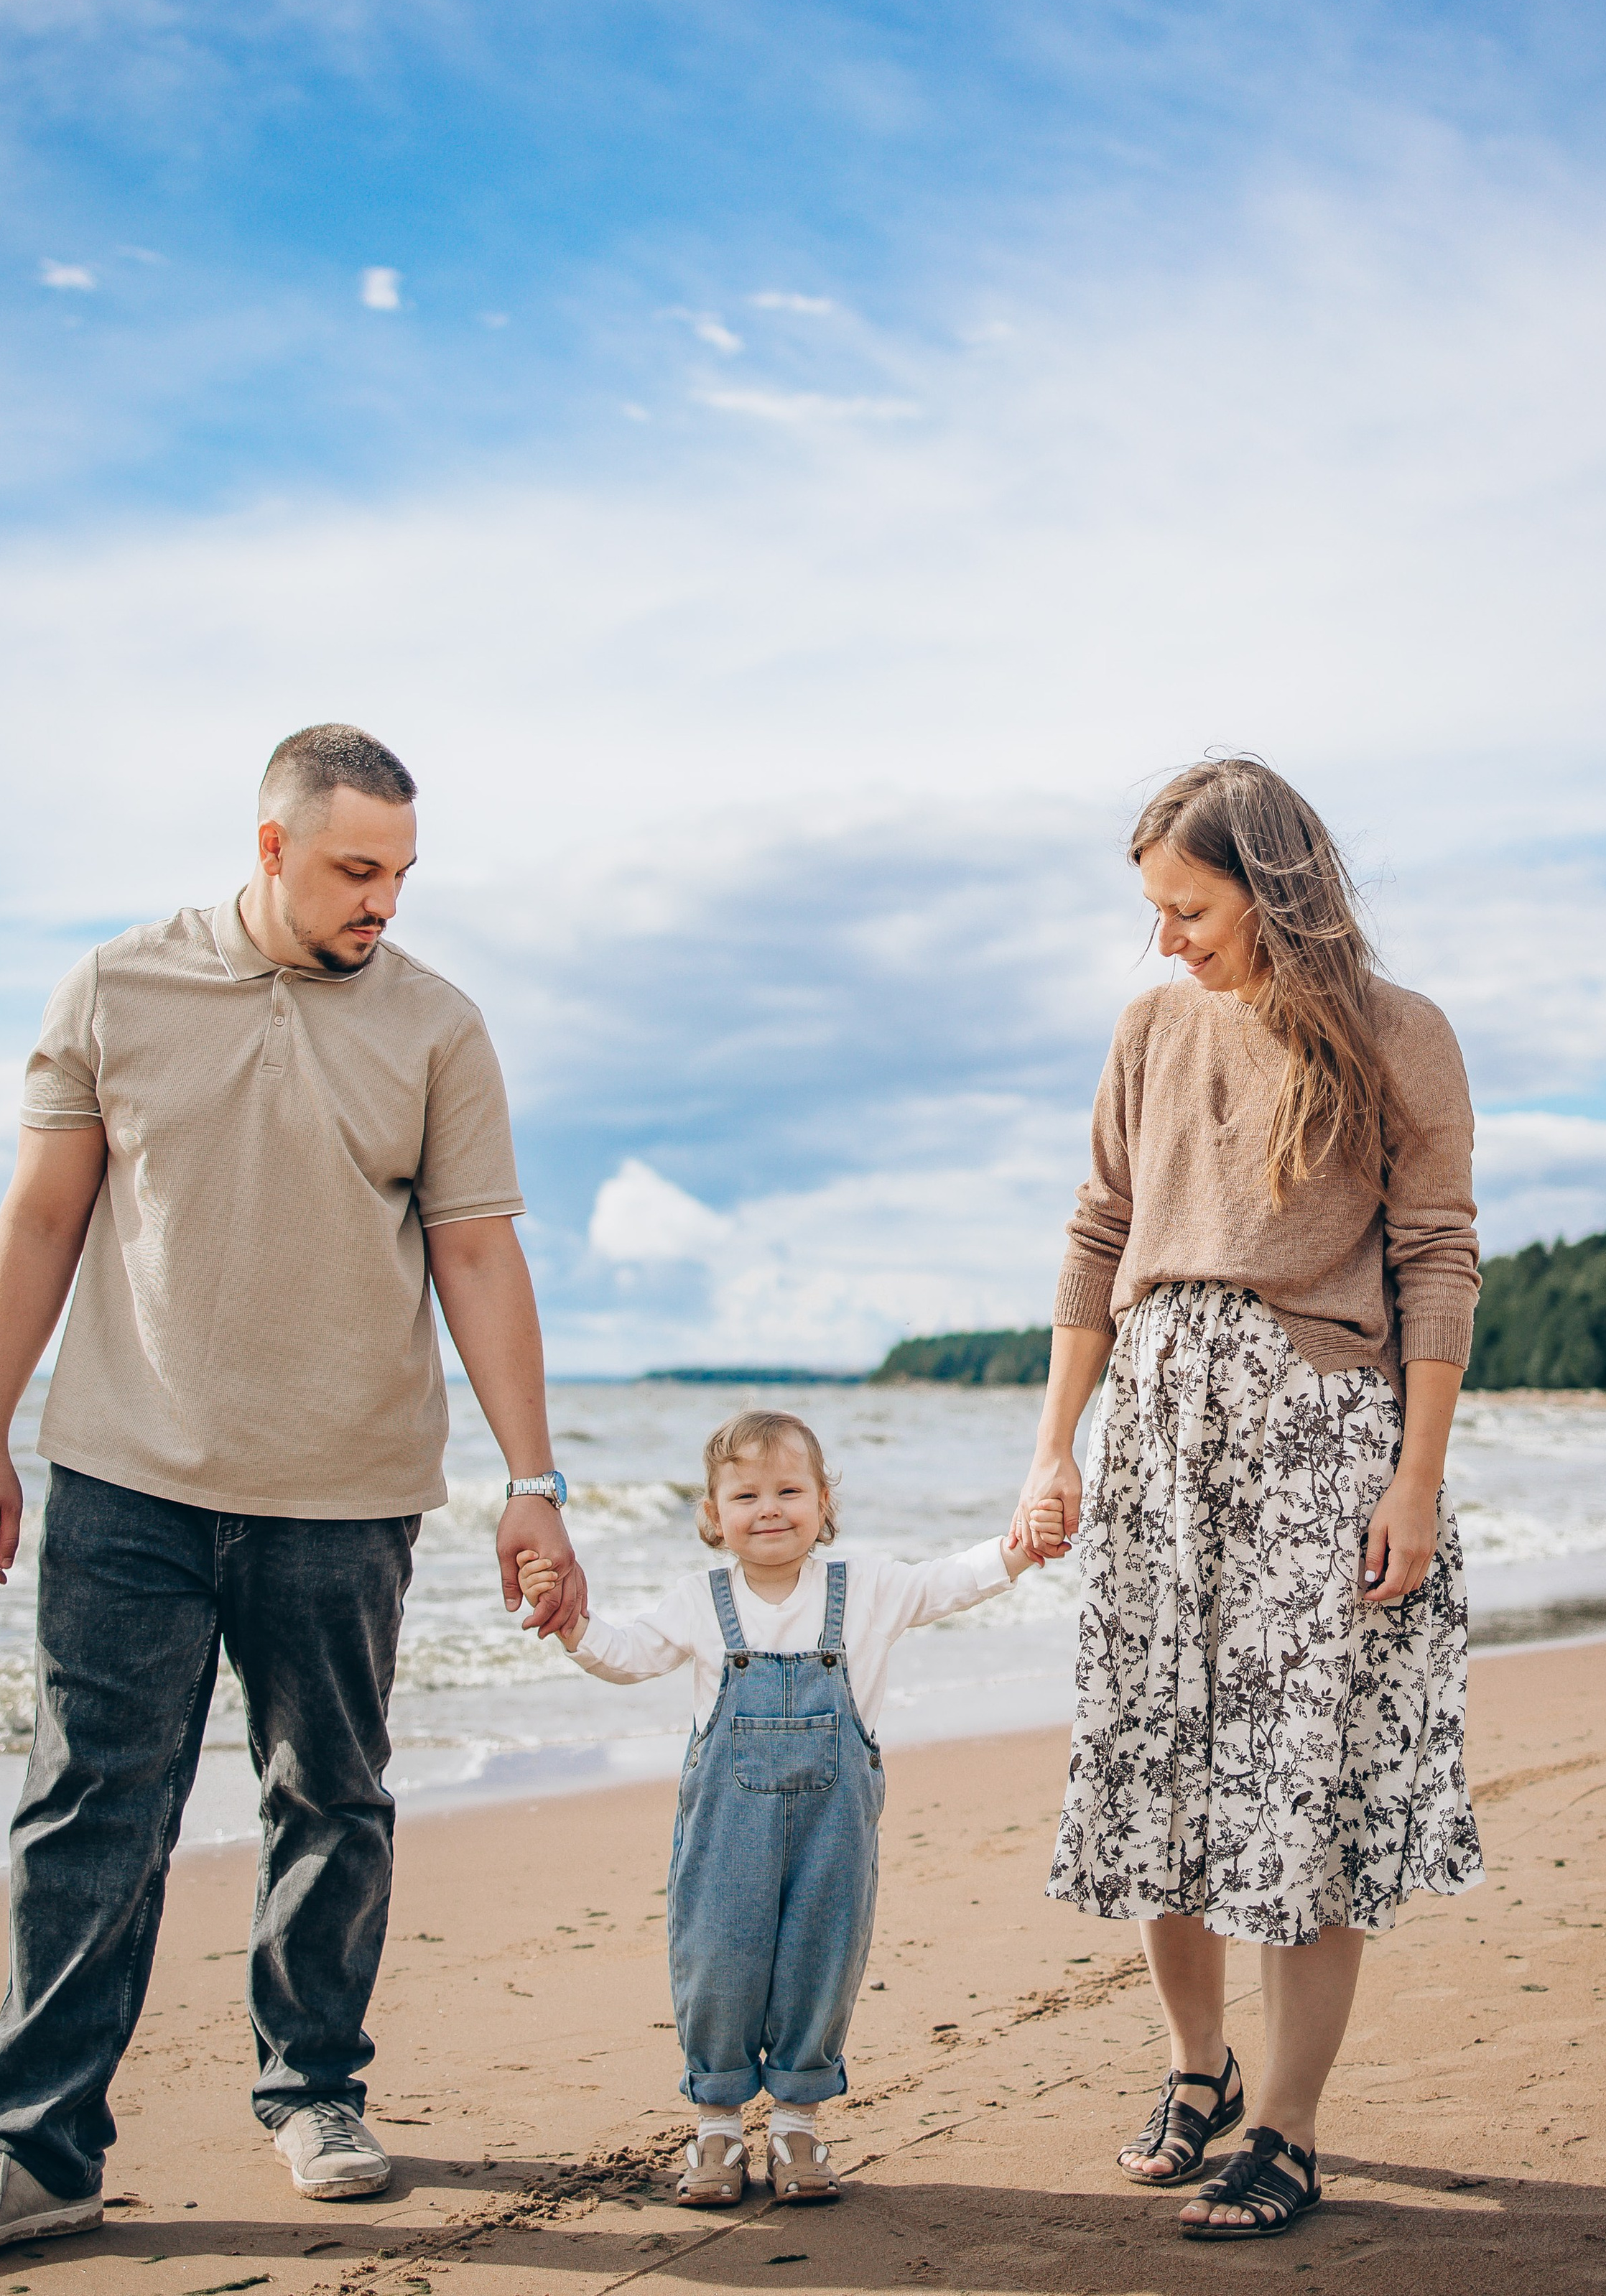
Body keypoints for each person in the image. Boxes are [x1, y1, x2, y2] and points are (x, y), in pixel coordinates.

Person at [0, 723, 585, 2257]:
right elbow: (43, 1216)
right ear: (269, 848)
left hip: (347, 1492)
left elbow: (476, 1250)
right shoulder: (116, 988)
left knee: (329, 1800)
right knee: (89, 1809)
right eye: (351, 869)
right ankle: (39, 2148)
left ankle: (315, 2089)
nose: (380, 900)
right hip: (127, 1478)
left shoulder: (438, 1029)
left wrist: (533, 1481)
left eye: (398, 872)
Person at [1013, 756, 1482, 2244]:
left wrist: (1414, 1479)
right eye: (1153, 911)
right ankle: (1191, 2069)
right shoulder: (1149, 1025)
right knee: (1158, 1766)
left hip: (1317, 1441)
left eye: (1187, 908)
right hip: (1156, 1436)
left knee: (1302, 1785)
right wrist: (1052, 1444)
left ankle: (1283, 2129)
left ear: (1269, 887)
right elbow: (1097, 1231)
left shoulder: (1400, 1035)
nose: (1165, 939)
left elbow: (1437, 1258)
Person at [519, 1408, 1061, 2208]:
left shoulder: (867, 1587)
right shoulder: (700, 1600)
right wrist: (570, 1623)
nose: (767, 1508)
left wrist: (1022, 1545)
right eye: (744, 1496)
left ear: (822, 1504)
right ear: (712, 1516)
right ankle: (716, 2127)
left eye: (787, 1490)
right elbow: (626, 1654)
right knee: (718, 1962)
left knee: (821, 1959)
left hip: (833, 1832)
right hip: (722, 1834)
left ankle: (797, 2125)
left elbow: (950, 1579)